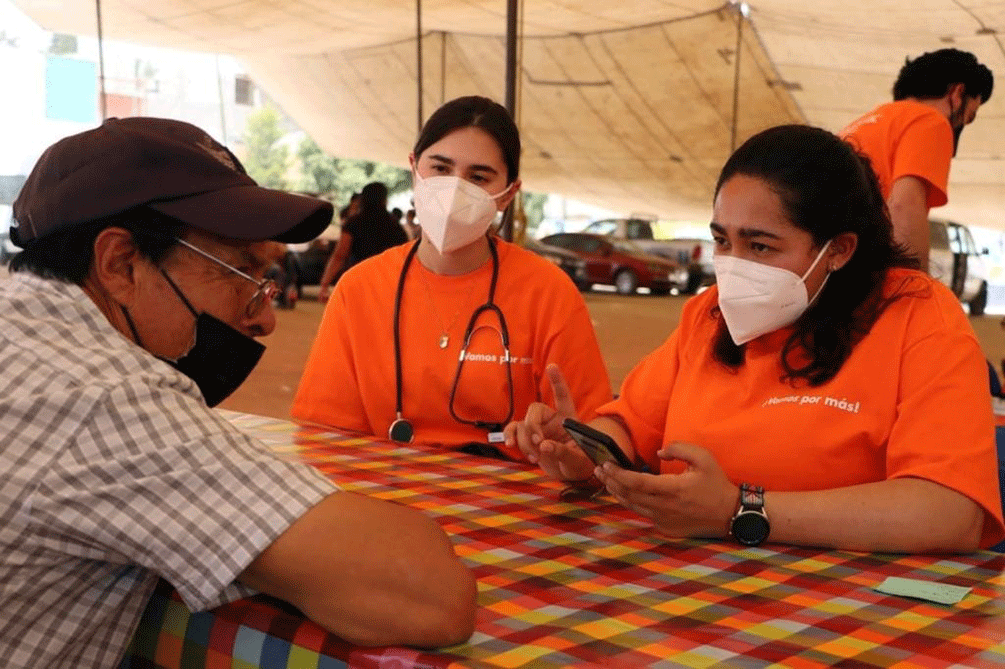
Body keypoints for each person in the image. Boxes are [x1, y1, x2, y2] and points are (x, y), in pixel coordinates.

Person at [0, 117, 476, 668]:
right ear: (121, 264)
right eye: (244, 273)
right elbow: (427, 595)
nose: (266, 318)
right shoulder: (102, 395)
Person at [505, 124, 1004, 554]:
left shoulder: (918, 315)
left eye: (760, 245)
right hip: (699, 594)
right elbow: (630, 428)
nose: (734, 267)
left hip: (856, 611)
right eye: (723, 240)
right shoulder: (708, 315)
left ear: (839, 250)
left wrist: (742, 511)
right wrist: (581, 455)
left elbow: (950, 511)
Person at [293, 96, 613, 458]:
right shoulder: (359, 289)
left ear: (508, 193)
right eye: (440, 169)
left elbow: (587, 440)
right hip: (386, 497)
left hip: (513, 502)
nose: (455, 188)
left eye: (478, 177)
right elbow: (325, 437)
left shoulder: (548, 292)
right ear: (414, 168)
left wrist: (565, 448)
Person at [841, 48, 993, 272]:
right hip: (856, 265)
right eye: (968, 117)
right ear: (957, 93)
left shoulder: (868, 121)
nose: (962, 126)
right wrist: (914, 286)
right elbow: (904, 206)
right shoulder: (931, 121)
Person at [318, 182, 408, 301]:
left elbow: (340, 255)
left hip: (358, 279)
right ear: (384, 199)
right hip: (388, 283)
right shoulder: (396, 226)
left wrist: (325, 283)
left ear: (363, 199)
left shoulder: (353, 223)